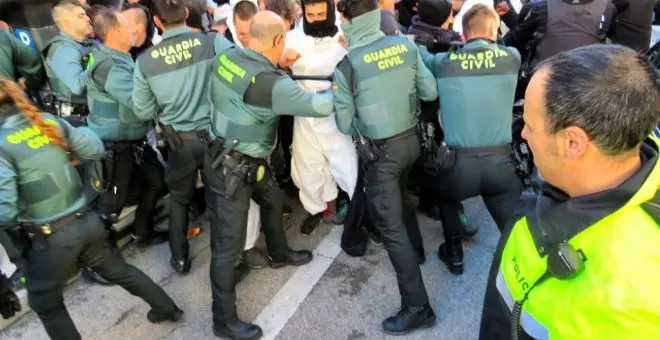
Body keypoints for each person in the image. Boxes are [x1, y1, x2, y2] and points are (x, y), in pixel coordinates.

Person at [479, 44, 660, 340]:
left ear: (573, 143)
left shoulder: (630, 303)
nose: (523, 135)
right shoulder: (631, 142)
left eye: (529, 125)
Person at [0, 78, 183, 340]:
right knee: (120, 271)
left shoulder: (3, 145)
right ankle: (167, 308)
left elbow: (4, 211)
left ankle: (167, 308)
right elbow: (95, 148)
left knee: (46, 304)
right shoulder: (48, 122)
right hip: (87, 221)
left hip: (52, 238)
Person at [205, 10, 331, 339]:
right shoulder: (271, 84)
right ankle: (223, 320)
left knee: (273, 201)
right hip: (232, 167)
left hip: (239, 155)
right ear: (277, 39)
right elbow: (320, 106)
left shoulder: (228, 55)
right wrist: (343, 86)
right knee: (226, 247)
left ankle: (278, 253)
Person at [333, 0, 438, 334]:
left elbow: (345, 122)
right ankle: (418, 250)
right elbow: (430, 90)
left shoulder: (347, 66)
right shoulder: (405, 46)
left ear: (346, 19)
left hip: (381, 155)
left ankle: (418, 306)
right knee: (401, 198)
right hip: (412, 143)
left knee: (390, 228)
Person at [419, 4, 522, 274]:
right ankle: (521, 269)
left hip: (458, 168)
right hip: (502, 165)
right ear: (493, 31)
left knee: (445, 194)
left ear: (463, 36)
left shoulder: (444, 63)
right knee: (514, 234)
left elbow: (420, 55)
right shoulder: (512, 57)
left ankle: (454, 255)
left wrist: (423, 42)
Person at [132, 0, 234, 274]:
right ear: (186, 14)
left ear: (157, 22)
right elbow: (238, 76)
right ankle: (224, 260)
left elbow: (142, 110)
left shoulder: (144, 62)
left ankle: (179, 259)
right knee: (219, 199)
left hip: (179, 144)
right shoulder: (213, 43)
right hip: (215, 138)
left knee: (179, 201)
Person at [86, 8, 168, 248]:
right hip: (114, 144)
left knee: (157, 181)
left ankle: (142, 232)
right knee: (109, 206)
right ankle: (100, 261)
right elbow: (139, 104)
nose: (132, 30)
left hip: (133, 141)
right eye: (125, 27)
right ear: (113, 32)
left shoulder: (119, 57)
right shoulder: (109, 65)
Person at [286, 0, 358, 235]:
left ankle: (356, 205)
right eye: (310, 14)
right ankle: (316, 208)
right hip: (304, 111)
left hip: (335, 110)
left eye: (321, 13)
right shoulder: (293, 38)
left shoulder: (342, 36)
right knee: (307, 164)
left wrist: (352, 48)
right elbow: (279, 71)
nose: (316, 19)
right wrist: (284, 64)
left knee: (345, 161)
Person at [42, 0, 96, 117]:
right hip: (77, 119)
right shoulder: (62, 49)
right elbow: (77, 86)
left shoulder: (89, 44)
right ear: (66, 23)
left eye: (86, 14)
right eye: (81, 16)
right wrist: (101, 64)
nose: (88, 19)